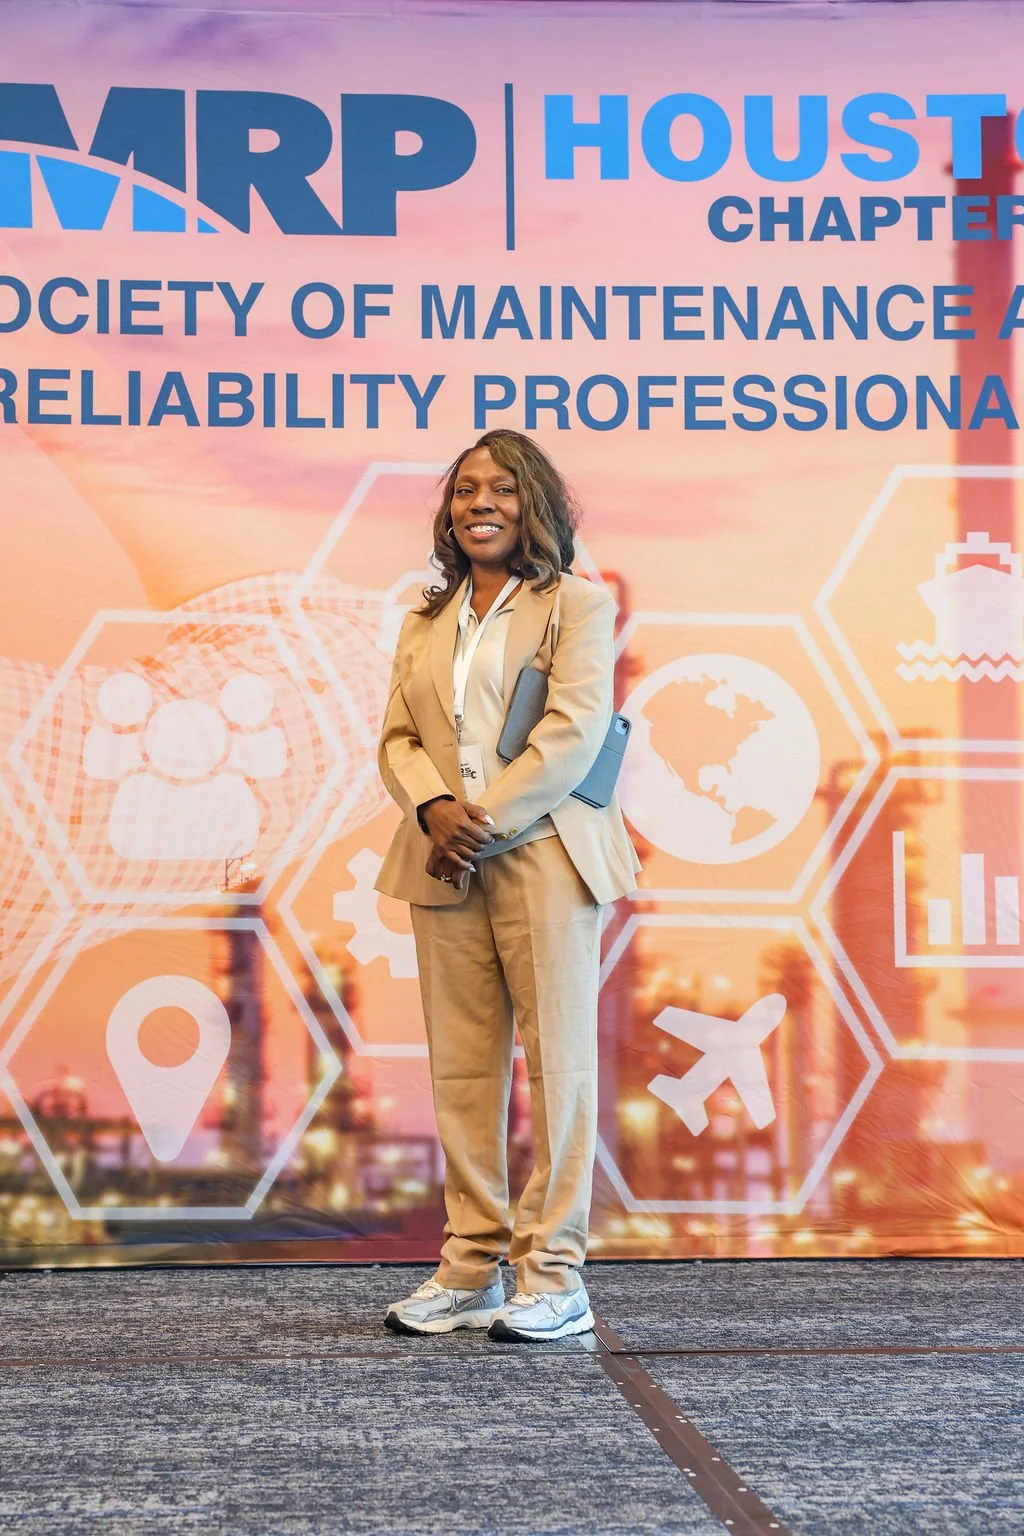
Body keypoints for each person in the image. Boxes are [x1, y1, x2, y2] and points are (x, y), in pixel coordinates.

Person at [376, 429, 640, 1343]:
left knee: (558, 1065)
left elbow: (570, 734)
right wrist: (434, 808)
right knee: (461, 1069)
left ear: (535, 505)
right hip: (442, 857)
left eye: (500, 489)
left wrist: (480, 819)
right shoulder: (425, 619)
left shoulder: (578, 605)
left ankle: (554, 1274)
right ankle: (469, 1267)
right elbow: (399, 741)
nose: (478, 503)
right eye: (463, 491)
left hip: (544, 854)